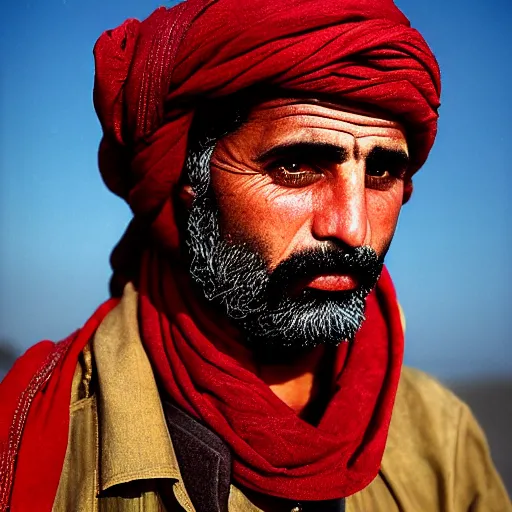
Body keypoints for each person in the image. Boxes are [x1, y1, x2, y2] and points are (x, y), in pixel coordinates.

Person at [0, 0, 510, 510]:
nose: (352, 230)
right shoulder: (39, 434)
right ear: (188, 179)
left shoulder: (444, 441)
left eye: (380, 174)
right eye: (296, 166)